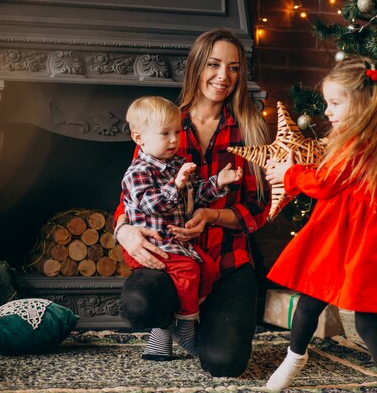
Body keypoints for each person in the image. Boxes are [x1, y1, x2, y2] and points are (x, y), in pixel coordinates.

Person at [114, 28, 271, 376]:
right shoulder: (162, 124)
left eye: (233, 68)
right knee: (139, 304)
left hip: (227, 258)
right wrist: (123, 230)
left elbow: (262, 206)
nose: (222, 76)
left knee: (224, 364)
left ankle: (197, 320)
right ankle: (166, 322)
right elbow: (132, 195)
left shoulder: (251, 131)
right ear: (196, 67)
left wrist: (213, 215)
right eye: (213, 65)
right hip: (171, 254)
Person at [264, 57, 377, 393]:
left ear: (362, 104)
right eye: (328, 103)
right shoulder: (356, 139)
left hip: (360, 242)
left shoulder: (362, 145)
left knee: (366, 322)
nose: (327, 111)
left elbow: (325, 184)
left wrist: (290, 174)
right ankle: (295, 356)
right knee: (310, 301)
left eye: (335, 103)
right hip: (338, 236)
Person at [120, 96, 243, 360]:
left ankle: (162, 338)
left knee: (208, 268)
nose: (175, 140)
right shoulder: (138, 172)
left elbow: (197, 193)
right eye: (165, 133)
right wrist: (175, 185)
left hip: (177, 245)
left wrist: (218, 182)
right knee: (187, 271)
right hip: (154, 247)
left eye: (177, 132)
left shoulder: (177, 164)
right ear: (139, 138)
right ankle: (186, 325)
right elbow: (151, 205)